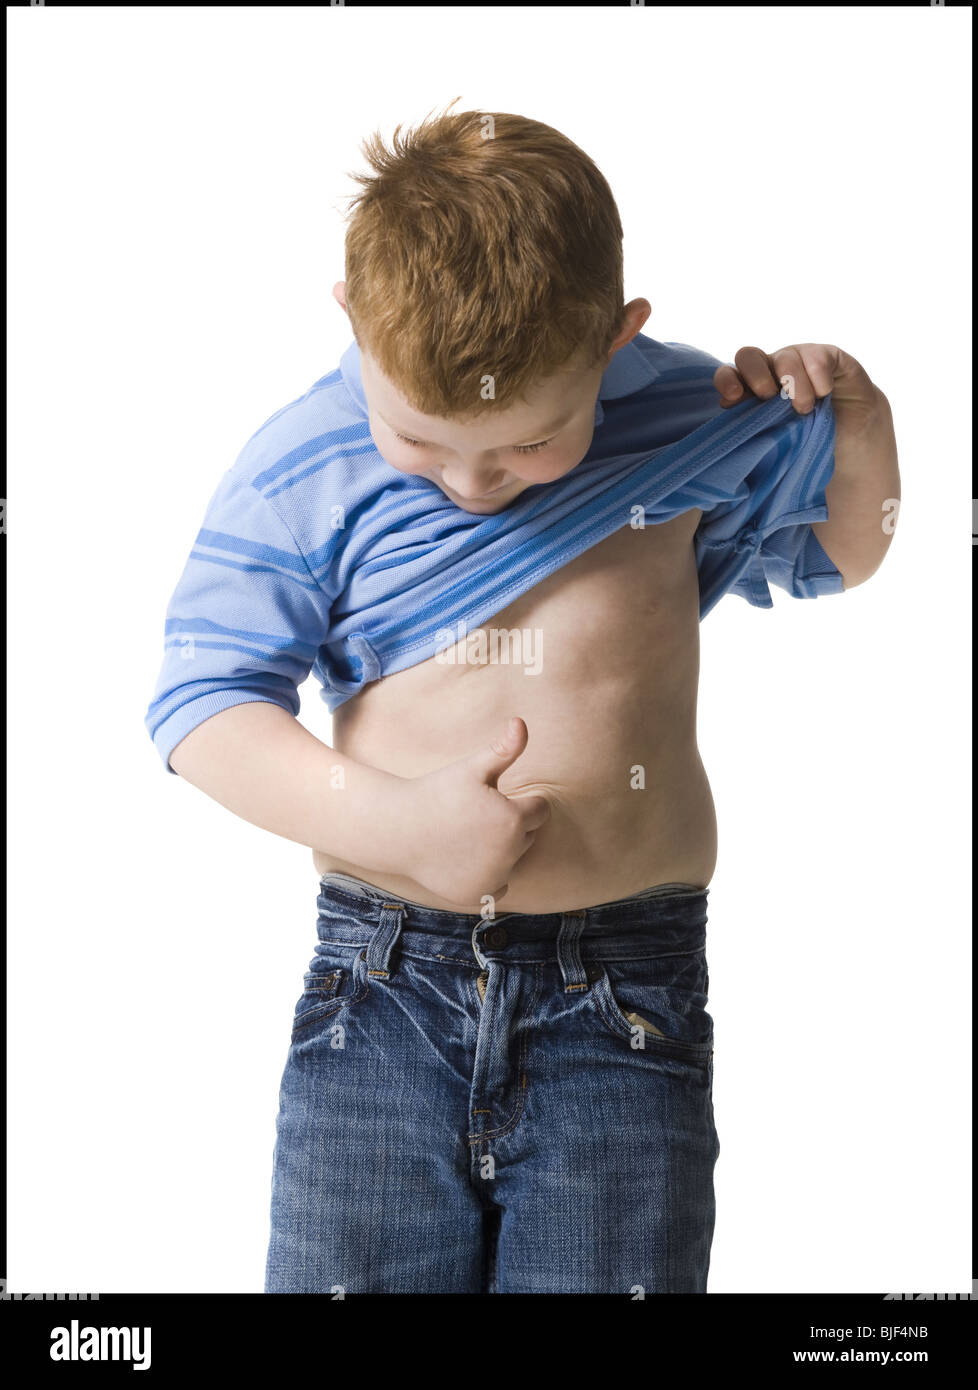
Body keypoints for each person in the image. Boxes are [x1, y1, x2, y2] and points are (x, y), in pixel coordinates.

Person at [144, 103, 899, 1293]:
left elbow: (840, 556)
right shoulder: (305, 461)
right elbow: (200, 707)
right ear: (351, 316)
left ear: (617, 338)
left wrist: (863, 427)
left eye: (528, 448)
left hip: (627, 998)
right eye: (423, 441)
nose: (473, 482)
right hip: (382, 988)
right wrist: (392, 821)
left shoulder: (688, 422)